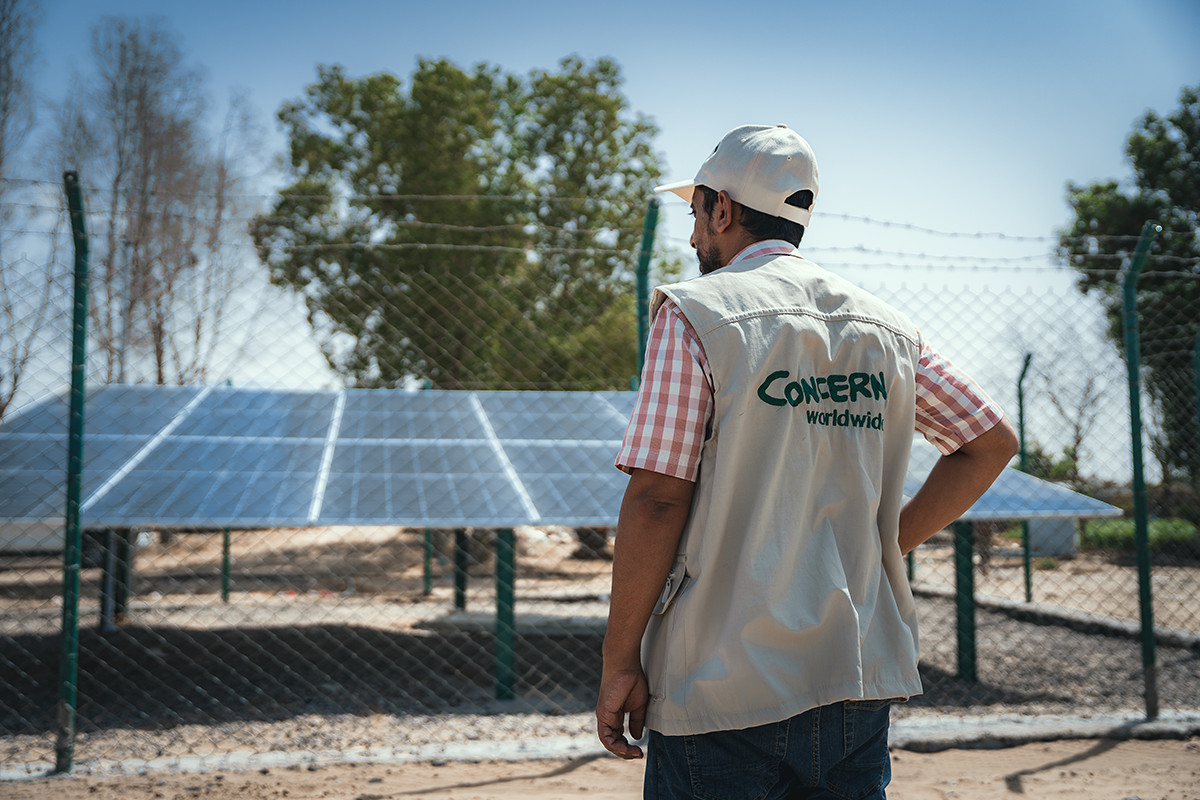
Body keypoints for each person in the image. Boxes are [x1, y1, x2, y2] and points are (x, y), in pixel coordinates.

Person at [596, 124, 1019, 799]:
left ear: (722, 208)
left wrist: (621, 662)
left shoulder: (696, 314)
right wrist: (886, 546)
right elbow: (989, 443)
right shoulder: (888, 329)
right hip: (855, 676)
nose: (693, 236)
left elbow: (657, 499)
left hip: (719, 682)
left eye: (696, 214)